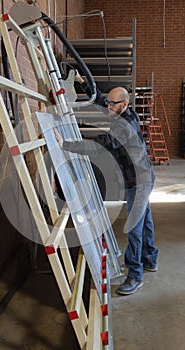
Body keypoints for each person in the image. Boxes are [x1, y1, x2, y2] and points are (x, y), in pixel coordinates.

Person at [54, 72, 158, 295]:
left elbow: (99, 146)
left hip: (139, 182)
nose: (108, 106)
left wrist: (67, 144)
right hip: (141, 177)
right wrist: (84, 83)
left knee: (134, 227)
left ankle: (135, 275)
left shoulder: (124, 126)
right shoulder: (120, 112)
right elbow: (100, 99)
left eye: (113, 103)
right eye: (109, 102)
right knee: (145, 220)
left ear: (125, 103)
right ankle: (150, 259)